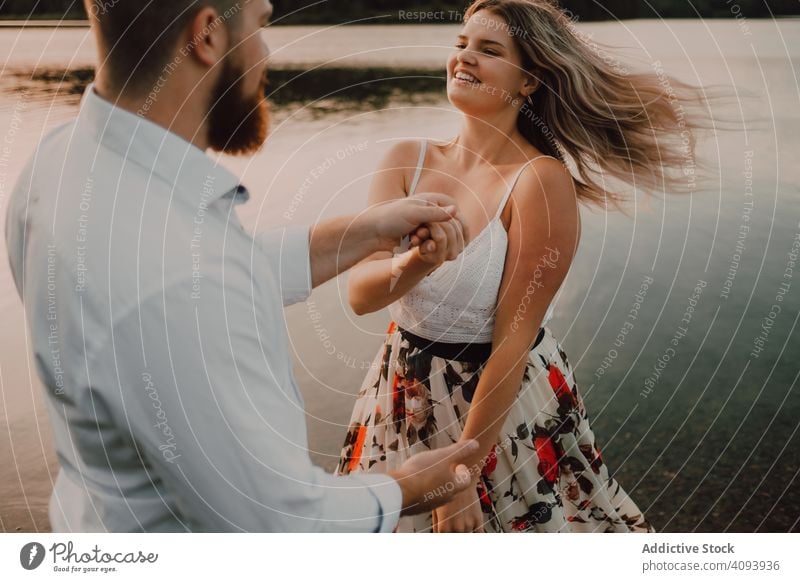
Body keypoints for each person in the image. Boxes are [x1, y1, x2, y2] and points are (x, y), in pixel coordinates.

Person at [4, 0, 482, 532]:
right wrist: (410, 486)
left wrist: (367, 229)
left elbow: (216, 276)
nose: (265, 55)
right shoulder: (186, 279)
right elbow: (279, 525)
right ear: (207, 34)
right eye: (261, 26)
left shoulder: (56, 163)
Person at [335, 0, 714, 533]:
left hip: (499, 404)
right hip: (404, 385)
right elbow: (361, 295)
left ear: (530, 80)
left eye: (488, 50)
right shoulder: (406, 159)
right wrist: (420, 262)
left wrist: (459, 475)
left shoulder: (539, 181)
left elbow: (513, 341)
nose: (464, 58)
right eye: (461, 44)